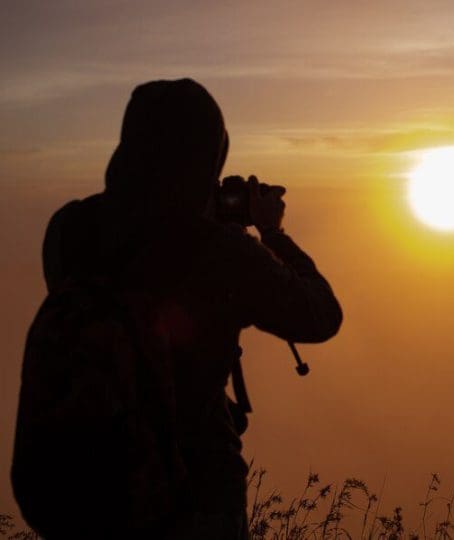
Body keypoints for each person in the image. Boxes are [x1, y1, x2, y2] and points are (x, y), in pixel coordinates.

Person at [29, 79, 342, 538]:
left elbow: (137, 260)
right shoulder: (220, 254)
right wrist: (271, 234)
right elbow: (320, 315)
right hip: (193, 504)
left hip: (89, 499)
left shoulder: (70, 229)